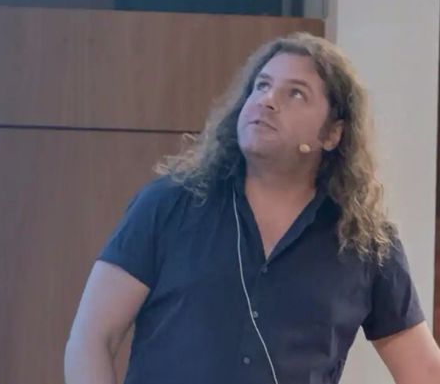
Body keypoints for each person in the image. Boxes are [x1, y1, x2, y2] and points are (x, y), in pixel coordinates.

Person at [64, 32, 440, 384]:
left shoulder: (366, 242)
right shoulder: (168, 204)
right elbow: (92, 338)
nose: (267, 100)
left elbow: (424, 370)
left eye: (296, 94)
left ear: (331, 134)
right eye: (262, 86)